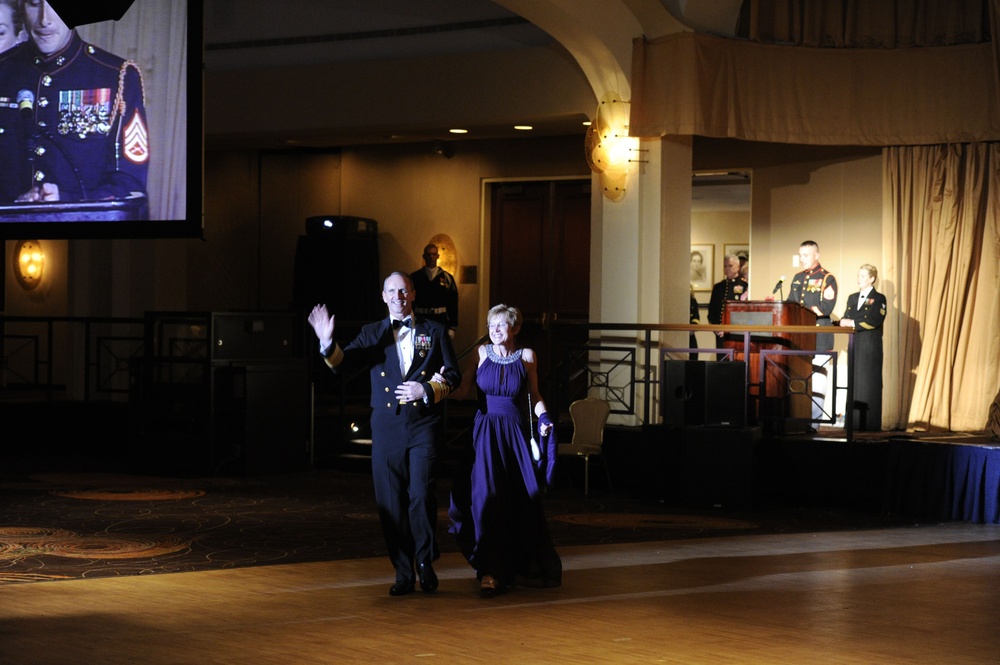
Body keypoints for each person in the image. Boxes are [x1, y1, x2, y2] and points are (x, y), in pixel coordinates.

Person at [307, 271, 461, 597]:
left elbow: (454, 375)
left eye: (403, 291)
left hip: (423, 425)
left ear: (414, 294)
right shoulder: (373, 332)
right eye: (392, 291)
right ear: (383, 296)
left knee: (421, 495)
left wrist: (427, 388)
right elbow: (342, 363)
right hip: (388, 427)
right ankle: (403, 572)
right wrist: (326, 342)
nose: (398, 297)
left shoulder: (433, 331)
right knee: (390, 502)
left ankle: (424, 563)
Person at [443, 304, 561, 596]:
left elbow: (534, 396)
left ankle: (510, 564)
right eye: (491, 325)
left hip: (514, 436)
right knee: (485, 500)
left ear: (515, 328)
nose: (494, 331)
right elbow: (461, 391)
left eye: (501, 325)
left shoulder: (528, 357)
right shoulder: (480, 354)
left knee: (515, 501)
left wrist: (544, 419)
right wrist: (438, 387)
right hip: (483, 436)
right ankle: (489, 570)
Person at [11, 0, 149, 205]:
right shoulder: (5, 70)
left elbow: (131, 186)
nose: (44, 20)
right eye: (34, 4)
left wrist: (67, 201)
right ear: (22, 7)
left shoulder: (115, 75)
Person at [786, 240, 838, 424]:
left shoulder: (827, 278)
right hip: (800, 337)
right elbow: (791, 304)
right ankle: (798, 420)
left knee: (817, 382)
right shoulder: (797, 278)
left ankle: (814, 423)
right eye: (800, 255)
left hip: (819, 337)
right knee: (798, 379)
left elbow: (825, 307)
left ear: (817, 255)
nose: (802, 259)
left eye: (806, 255)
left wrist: (803, 309)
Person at [838, 264, 886, 431]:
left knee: (868, 383)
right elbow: (846, 317)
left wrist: (852, 323)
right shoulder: (852, 297)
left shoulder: (879, 298)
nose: (859, 279)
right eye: (859, 275)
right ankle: (853, 423)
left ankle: (869, 424)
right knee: (854, 382)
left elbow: (874, 320)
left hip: (870, 344)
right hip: (855, 342)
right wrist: (846, 321)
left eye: (863, 276)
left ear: (872, 278)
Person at [411, 243, 459, 337]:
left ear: (438, 256)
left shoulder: (446, 277)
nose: (431, 257)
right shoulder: (415, 277)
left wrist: (453, 326)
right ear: (424, 256)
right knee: (422, 348)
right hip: (421, 321)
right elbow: (410, 302)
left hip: (440, 320)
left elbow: (453, 302)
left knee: (439, 349)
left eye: (433, 254)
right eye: (428, 254)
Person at [708, 254, 748, 355]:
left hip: (737, 333)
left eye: (730, 266)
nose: (727, 269)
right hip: (720, 333)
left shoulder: (744, 286)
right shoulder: (718, 287)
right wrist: (716, 327)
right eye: (725, 266)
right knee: (721, 362)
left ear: (738, 267)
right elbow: (712, 310)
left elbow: (744, 312)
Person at [689, 288, 700, 360]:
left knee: (694, 355)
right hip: (679, 333)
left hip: (690, 334)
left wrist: (693, 326)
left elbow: (696, 317)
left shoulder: (692, 301)